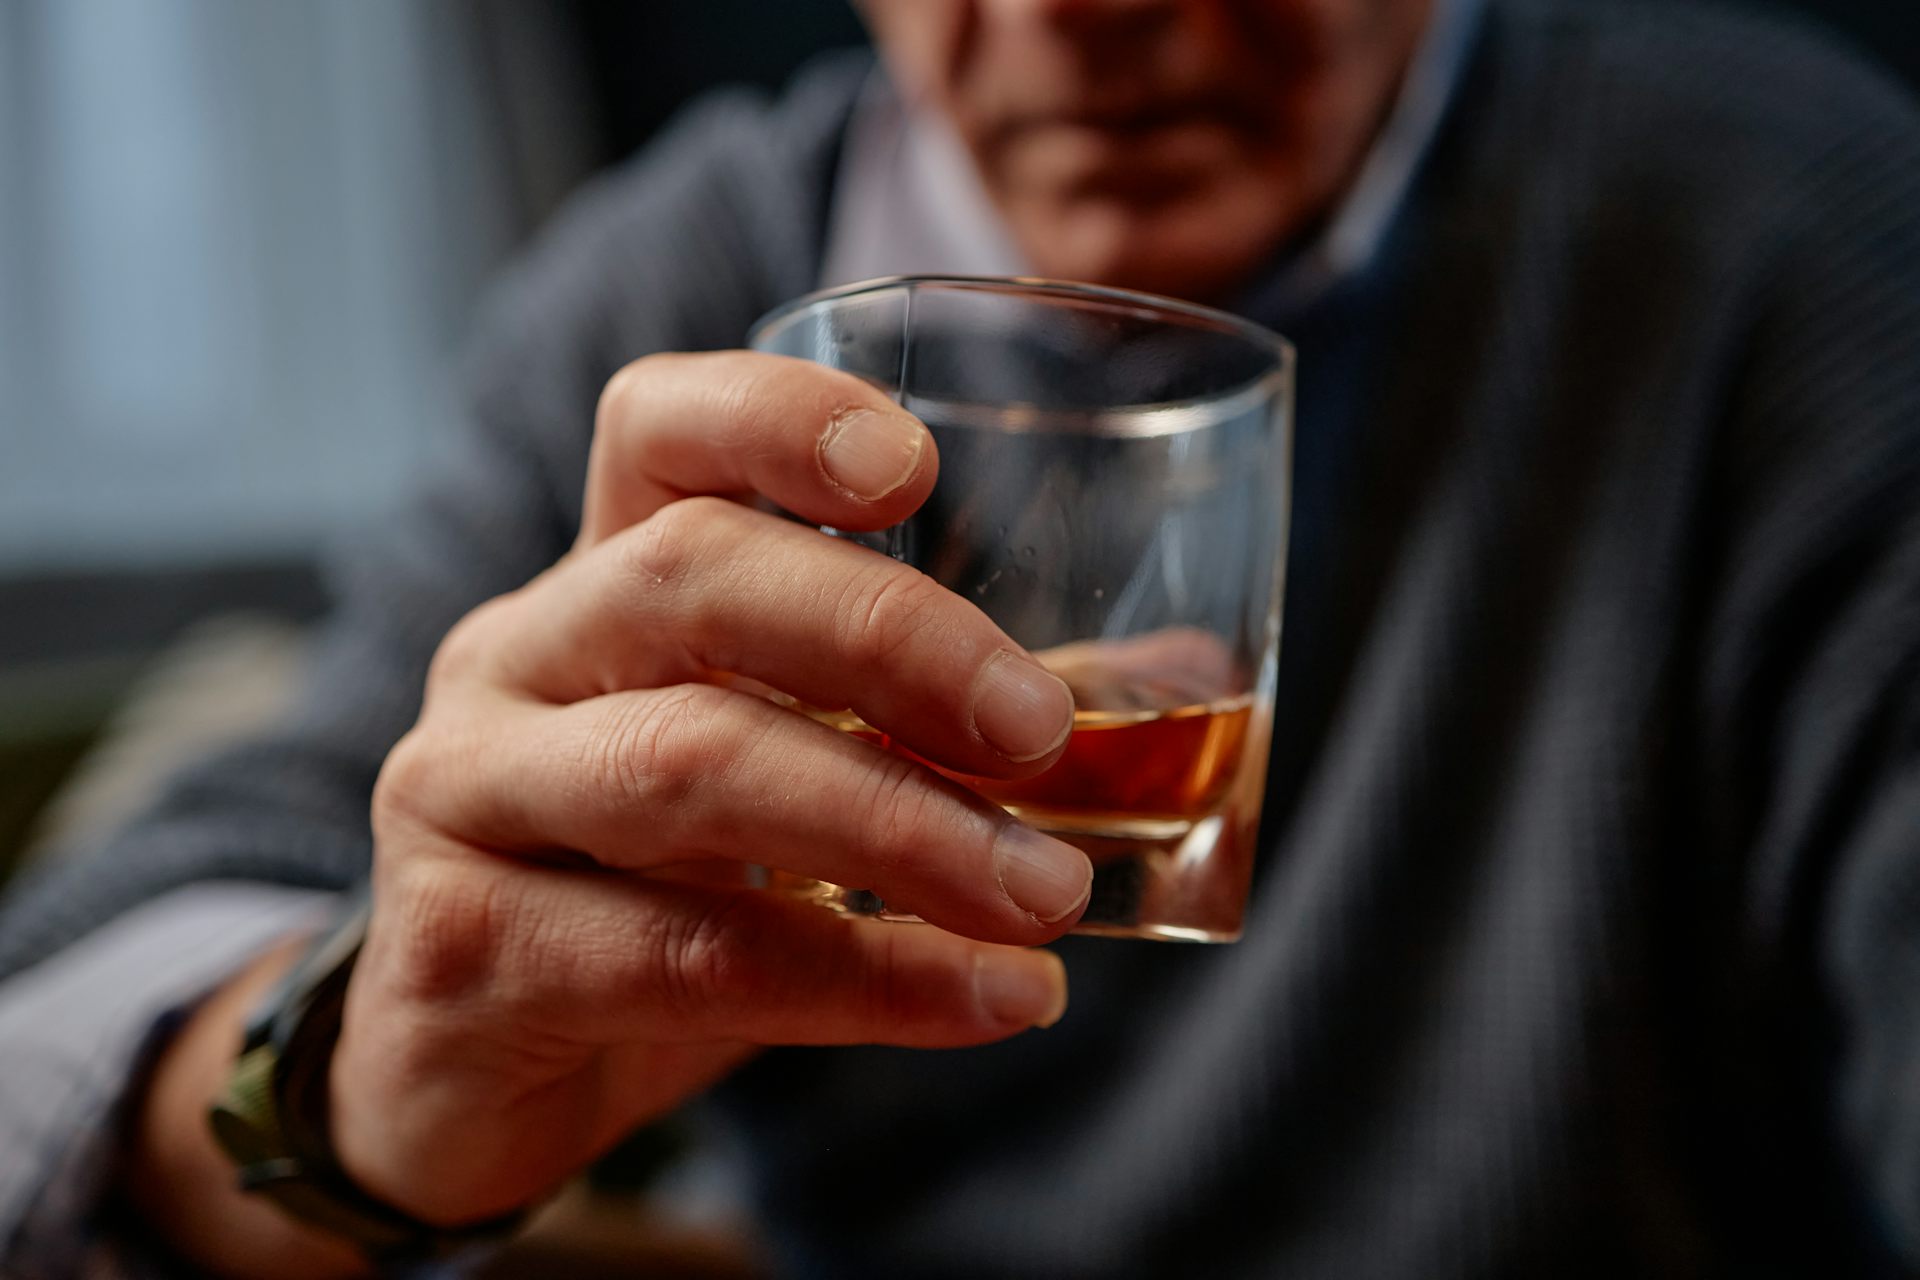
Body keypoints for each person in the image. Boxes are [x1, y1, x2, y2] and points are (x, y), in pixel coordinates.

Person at [3, 0, 1918, 1274]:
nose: (1074, 10)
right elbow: (73, 1009)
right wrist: (356, 1100)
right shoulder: (685, 281)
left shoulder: (1797, 245)